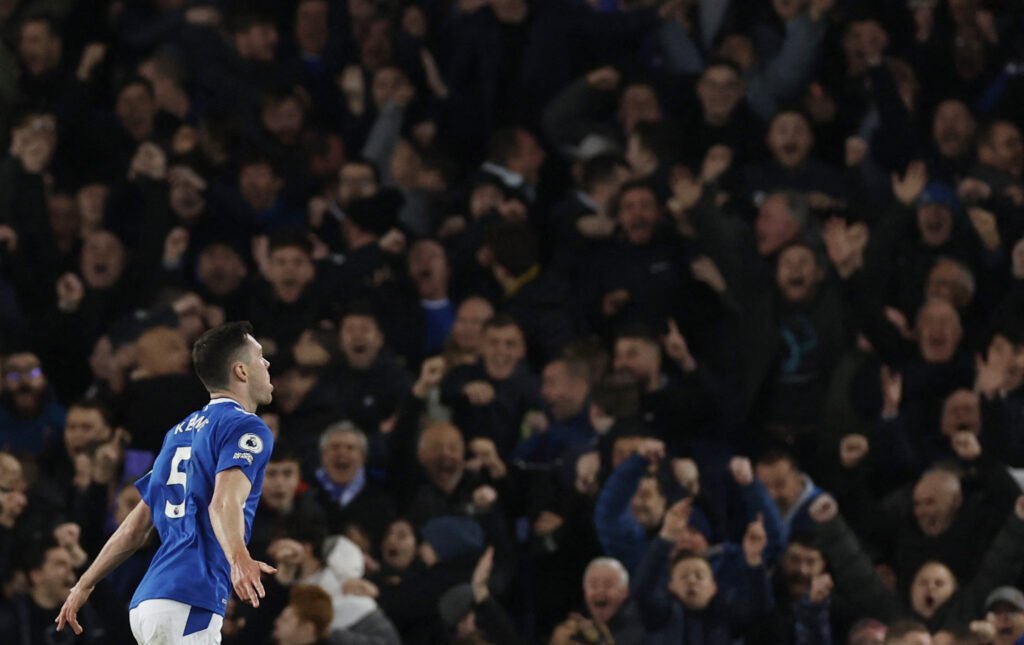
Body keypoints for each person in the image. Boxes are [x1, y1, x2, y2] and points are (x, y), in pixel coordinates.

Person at [56, 321, 278, 643]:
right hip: (188, 599)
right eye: (260, 356)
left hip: (151, 600)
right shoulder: (246, 428)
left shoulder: (178, 432)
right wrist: (239, 559)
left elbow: (135, 527)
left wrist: (85, 583)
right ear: (241, 371)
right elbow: (223, 502)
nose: (267, 363)